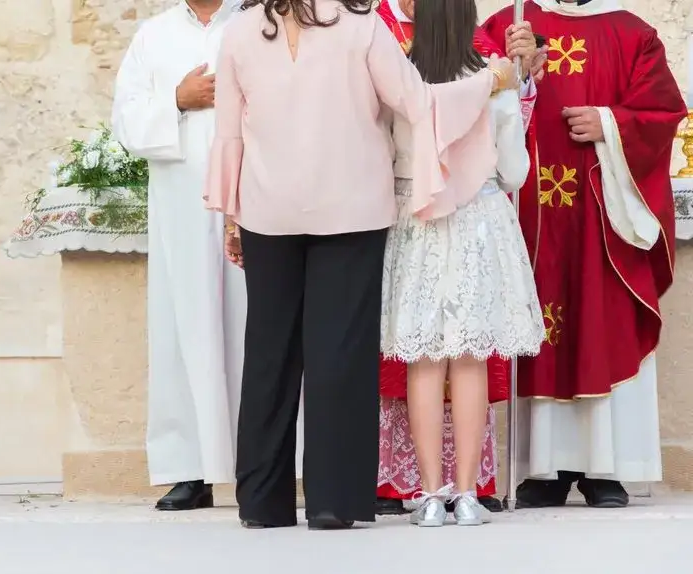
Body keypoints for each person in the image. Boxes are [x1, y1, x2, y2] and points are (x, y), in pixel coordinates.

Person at [205, 0, 515, 530]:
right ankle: (334, 502)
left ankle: (261, 501)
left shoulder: (237, 32)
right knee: (339, 359)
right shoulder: (363, 26)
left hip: (266, 208)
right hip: (351, 209)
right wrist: (490, 79)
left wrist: (232, 218)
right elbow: (419, 104)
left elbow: (230, 132)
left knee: (267, 356)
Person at [482, 0, 687, 508]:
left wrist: (610, 123)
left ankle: (604, 467)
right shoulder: (512, 23)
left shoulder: (631, 32)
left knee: (600, 317)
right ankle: (542, 469)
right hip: (532, 211)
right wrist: (519, 74)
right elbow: (468, 96)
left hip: (602, 214)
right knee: (541, 324)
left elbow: (661, 113)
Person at [375, 0, 545, 516]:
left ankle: (428, 497)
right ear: (470, 23)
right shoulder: (494, 85)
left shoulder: (401, 86)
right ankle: (467, 495)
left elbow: (381, 158)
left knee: (424, 360)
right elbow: (515, 172)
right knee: (470, 360)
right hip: (478, 224)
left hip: (417, 219)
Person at [111, 0, 251, 512]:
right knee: (184, 326)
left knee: (254, 323)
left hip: (253, 192)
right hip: (181, 202)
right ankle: (190, 469)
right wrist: (176, 98)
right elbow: (125, 119)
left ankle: (266, 463)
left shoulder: (258, 20)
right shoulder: (154, 35)